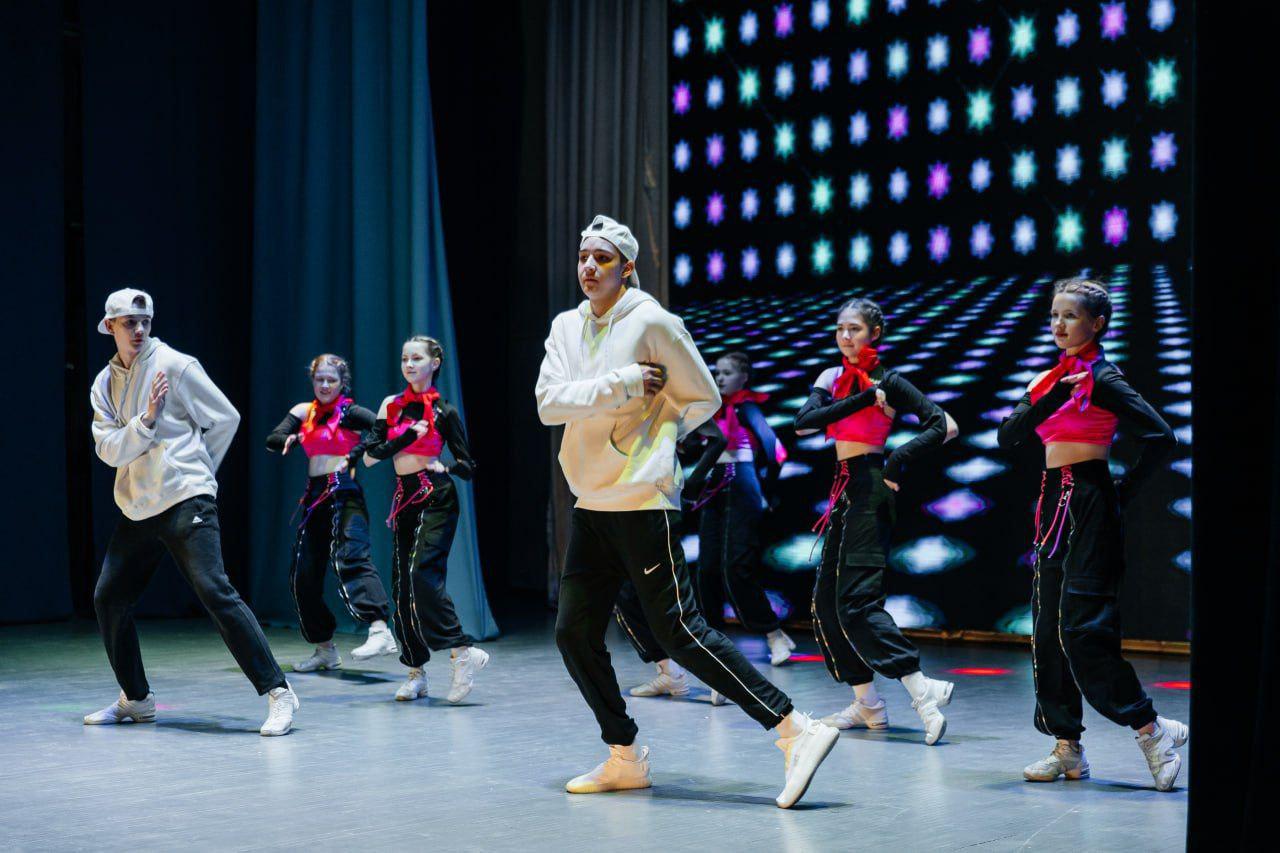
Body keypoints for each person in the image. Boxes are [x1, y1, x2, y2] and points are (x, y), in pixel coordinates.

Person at [536, 214, 838, 809]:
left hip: (640, 498)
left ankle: (795, 729)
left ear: (627, 267)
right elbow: (549, 403)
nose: (589, 267)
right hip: (591, 500)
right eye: (583, 257)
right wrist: (624, 384)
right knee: (573, 633)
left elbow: (703, 397)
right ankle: (624, 756)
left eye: (602, 258)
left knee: (679, 631)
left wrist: (650, 439)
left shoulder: (653, 321)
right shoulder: (565, 327)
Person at [997, 277, 1187, 791]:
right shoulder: (1047, 380)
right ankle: (1067, 747)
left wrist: (1121, 492)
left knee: (1081, 631)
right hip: (1051, 504)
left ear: (1097, 323)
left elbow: (1162, 436)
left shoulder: (1103, 377)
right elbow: (1008, 436)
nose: (1059, 324)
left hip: (1090, 501)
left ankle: (1151, 730)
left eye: (1071, 316)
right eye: (1054, 315)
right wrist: (1052, 395)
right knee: (1046, 633)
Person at [85, 288, 298, 736]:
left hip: (186, 497)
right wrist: (146, 421)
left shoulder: (175, 365)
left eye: (145, 321)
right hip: (139, 506)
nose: (139, 330)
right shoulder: (103, 384)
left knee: (214, 590)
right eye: (129, 323)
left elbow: (226, 417)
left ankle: (279, 691)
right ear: (110, 327)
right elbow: (108, 450)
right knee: (109, 597)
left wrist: (199, 473)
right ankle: (137, 699)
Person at [794, 297, 959, 746]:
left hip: (870, 487)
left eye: (855, 329)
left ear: (875, 333)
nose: (846, 336)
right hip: (842, 488)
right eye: (840, 329)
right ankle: (867, 702)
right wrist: (863, 399)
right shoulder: (832, 377)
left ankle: (921, 689)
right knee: (825, 604)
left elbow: (945, 425)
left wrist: (898, 460)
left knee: (857, 602)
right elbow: (804, 423)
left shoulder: (890, 380)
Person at [364, 336, 488, 704]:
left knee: (422, 576)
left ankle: (461, 652)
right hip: (404, 498)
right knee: (402, 588)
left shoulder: (444, 411)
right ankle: (416, 672)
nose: (409, 364)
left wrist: (446, 466)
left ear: (434, 363)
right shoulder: (391, 406)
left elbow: (468, 465)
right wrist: (402, 439)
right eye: (405, 358)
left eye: (416, 358)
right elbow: (370, 456)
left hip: (436, 496)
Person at [264, 353, 398, 672]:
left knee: (352, 555)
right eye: (319, 379)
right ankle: (325, 649)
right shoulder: (304, 411)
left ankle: (380, 630)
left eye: (331, 380)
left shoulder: (349, 412)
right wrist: (291, 438)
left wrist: (356, 452)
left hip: (344, 492)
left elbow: (385, 429)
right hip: (315, 496)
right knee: (303, 574)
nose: (324, 385)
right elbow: (273, 440)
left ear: (342, 382)